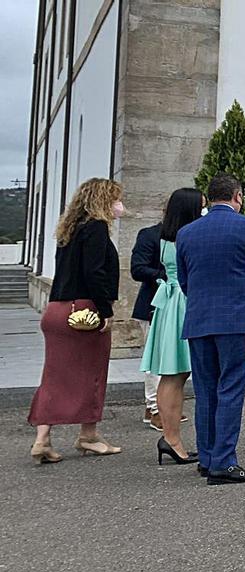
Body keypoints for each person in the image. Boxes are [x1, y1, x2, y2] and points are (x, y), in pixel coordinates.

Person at [176, 173, 245, 485]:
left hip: (200, 317)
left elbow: (184, 279)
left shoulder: (187, 232)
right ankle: (223, 461)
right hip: (236, 317)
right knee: (231, 388)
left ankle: (207, 457)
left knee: (205, 390)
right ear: (238, 196)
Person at [28, 178, 124, 463]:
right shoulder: (95, 229)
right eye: (115, 199)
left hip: (56, 310)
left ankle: (42, 439)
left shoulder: (69, 231)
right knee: (93, 373)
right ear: (103, 200)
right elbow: (94, 273)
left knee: (54, 376)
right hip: (82, 310)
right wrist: (105, 310)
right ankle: (89, 435)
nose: (119, 206)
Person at [140, 187, 205, 466]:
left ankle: (171, 436)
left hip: (170, 303)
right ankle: (171, 437)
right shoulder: (187, 237)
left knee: (173, 374)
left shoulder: (166, 237)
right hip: (183, 301)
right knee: (175, 374)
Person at [131, 216, 167, 431]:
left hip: (177, 305)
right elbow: (138, 269)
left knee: (169, 361)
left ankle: (156, 405)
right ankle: (155, 408)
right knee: (156, 361)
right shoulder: (150, 235)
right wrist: (165, 275)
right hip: (152, 305)